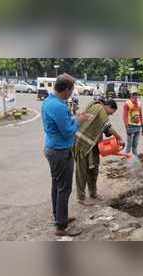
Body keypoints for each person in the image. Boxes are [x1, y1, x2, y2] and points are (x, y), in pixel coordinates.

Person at [41, 73, 90, 237]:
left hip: (54, 149)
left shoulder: (50, 101)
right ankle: (61, 226)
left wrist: (75, 117)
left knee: (57, 185)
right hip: (60, 151)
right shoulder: (58, 106)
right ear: (66, 90)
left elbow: (65, 122)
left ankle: (59, 217)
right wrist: (79, 120)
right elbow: (68, 131)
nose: (72, 93)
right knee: (64, 188)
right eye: (72, 89)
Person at [74, 99, 124, 204]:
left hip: (93, 145)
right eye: (110, 112)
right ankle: (81, 197)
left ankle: (93, 193)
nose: (109, 115)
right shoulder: (99, 108)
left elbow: (103, 128)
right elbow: (107, 126)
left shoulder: (99, 110)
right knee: (81, 171)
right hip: (82, 144)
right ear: (108, 106)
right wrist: (119, 138)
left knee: (93, 170)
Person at [123, 90, 143, 156]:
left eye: (136, 94)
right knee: (129, 146)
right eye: (133, 94)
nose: (135, 96)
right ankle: (125, 160)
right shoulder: (127, 104)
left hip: (138, 127)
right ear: (131, 95)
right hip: (130, 126)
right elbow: (125, 116)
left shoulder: (139, 104)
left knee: (135, 145)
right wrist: (127, 128)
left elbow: (140, 115)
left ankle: (135, 160)